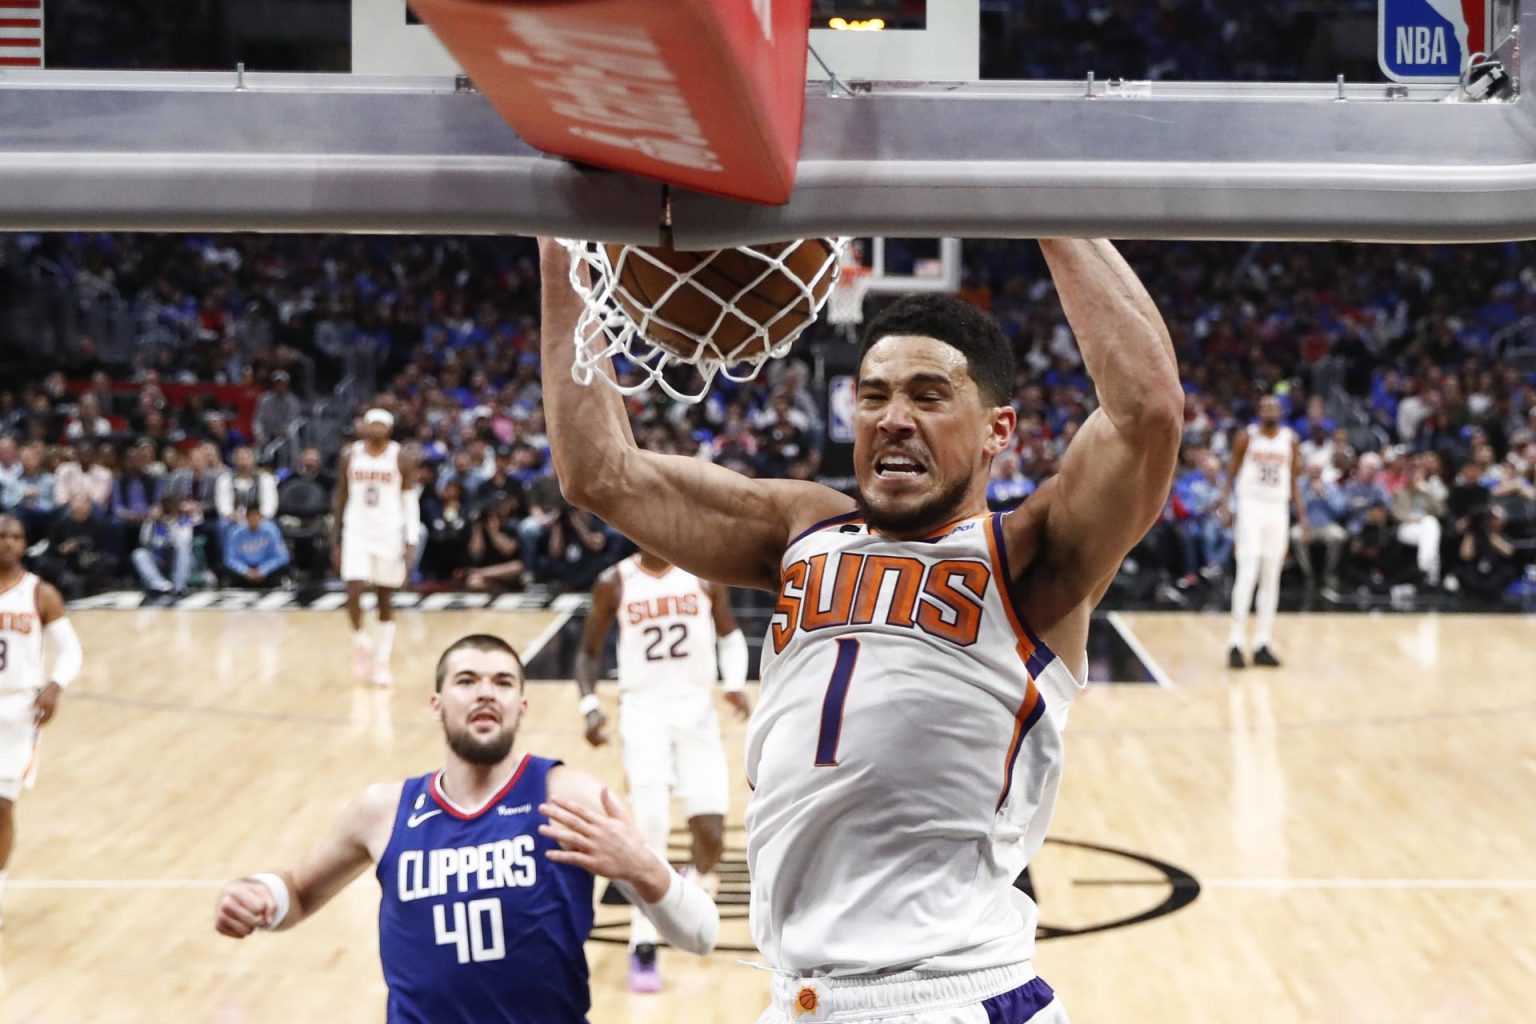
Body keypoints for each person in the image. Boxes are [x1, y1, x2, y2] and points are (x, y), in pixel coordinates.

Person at [538, 237, 1182, 1023]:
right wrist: (563, 247)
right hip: (802, 1000)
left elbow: (1148, 411)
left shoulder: (1030, 557)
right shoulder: (801, 526)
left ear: (998, 429)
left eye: (928, 395)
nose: (893, 419)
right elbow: (600, 472)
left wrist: (1048, 213)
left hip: (950, 995)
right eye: (872, 396)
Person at [212, 634, 718, 1024]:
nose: (485, 694)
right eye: (467, 681)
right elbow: (296, 893)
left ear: (522, 706)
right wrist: (259, 896)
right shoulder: (382, 810)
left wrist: (647, 872)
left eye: (502, 683)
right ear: (437, 704)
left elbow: (701, 935)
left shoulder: (569, 797)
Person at [575, 550, 750, 992]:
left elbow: (729, 635)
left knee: (710, 833)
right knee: (649, 824)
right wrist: (590, 705)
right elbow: (588, 651)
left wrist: (733, 682)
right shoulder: (614, 581)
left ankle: (698, 886)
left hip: (697, 714)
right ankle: (643, 942)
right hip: (643, 714)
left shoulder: (704, 574)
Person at [0, 514, 83, 928]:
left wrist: (55, 686)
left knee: (1, 804)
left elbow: (71, 651)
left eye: (15, 536)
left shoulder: (40, 593)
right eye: (2, 536)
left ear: (24, 543)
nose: (8, 543)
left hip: (18, 709)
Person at [332, 410, 420, 686]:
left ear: (389, 429)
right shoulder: (350, 455)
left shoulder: (401, 457)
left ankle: (382, 661)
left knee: (384, 597)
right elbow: (341, 495)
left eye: (379, 424)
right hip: (356, 531)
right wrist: (335, 536)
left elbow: (409, 500)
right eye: (370, 424)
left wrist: (411, 540)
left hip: (389, 533)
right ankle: (361, 641)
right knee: (353, 589)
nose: (374, 428)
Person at [1220, 395, 1306, 668]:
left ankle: (1262, 643)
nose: (1270, 410)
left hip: (1277, 509)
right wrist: (1225, 502)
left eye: (1274, 407)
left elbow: (1292, 479)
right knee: (1248, 572)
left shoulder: (1290, 439)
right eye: (1265, 406)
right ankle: (1235, 642)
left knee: (1272, 575)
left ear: (1281, 412)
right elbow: (1232, 471)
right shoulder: (1248, 436)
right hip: (1251, 506)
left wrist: (1301, 515)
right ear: (1259, 411)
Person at [132, 494, 196, 596]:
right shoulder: (153, 522)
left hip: (180, 562)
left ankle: (179, 586)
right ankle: (160, 584)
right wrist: (149, 521)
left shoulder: (184, 521)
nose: (167, 512)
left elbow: (183, 542)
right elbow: (144, 541)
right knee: (139, 554)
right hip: (159, 559)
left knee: (183, 548)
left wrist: (171, 523)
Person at [223, 507, 291, 588]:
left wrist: (263, 570)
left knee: (283, 567)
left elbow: (282, 557)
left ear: (261, 517)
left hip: (265, 568)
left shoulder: (272, 530)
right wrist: (245, 571)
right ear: (246, 518)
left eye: (256, 516)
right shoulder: (235, 533)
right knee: (226, 570)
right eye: (251, 517)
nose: (254, 520)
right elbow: (229, 558)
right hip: (245, 569)